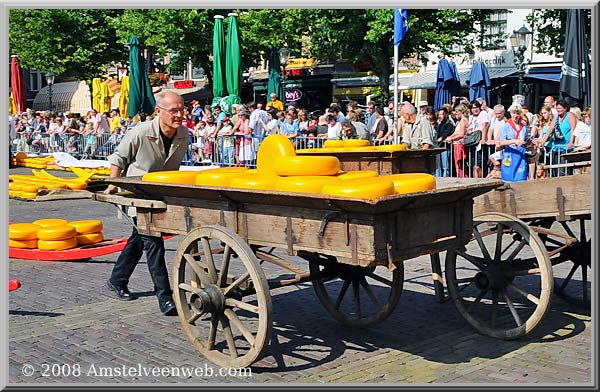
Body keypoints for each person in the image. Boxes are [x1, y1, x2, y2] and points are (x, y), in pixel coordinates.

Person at [103, 91, 190, 316]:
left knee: (138, 240)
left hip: (160, 195)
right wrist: (113, 184)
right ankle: (165, 298)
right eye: (173, 110)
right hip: (136, 195)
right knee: (153, 241)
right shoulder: (140, 132)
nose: (179, 114)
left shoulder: (184, 134)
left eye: (181, 109)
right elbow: (118, 157)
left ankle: (117, 279)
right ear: (158, 112)